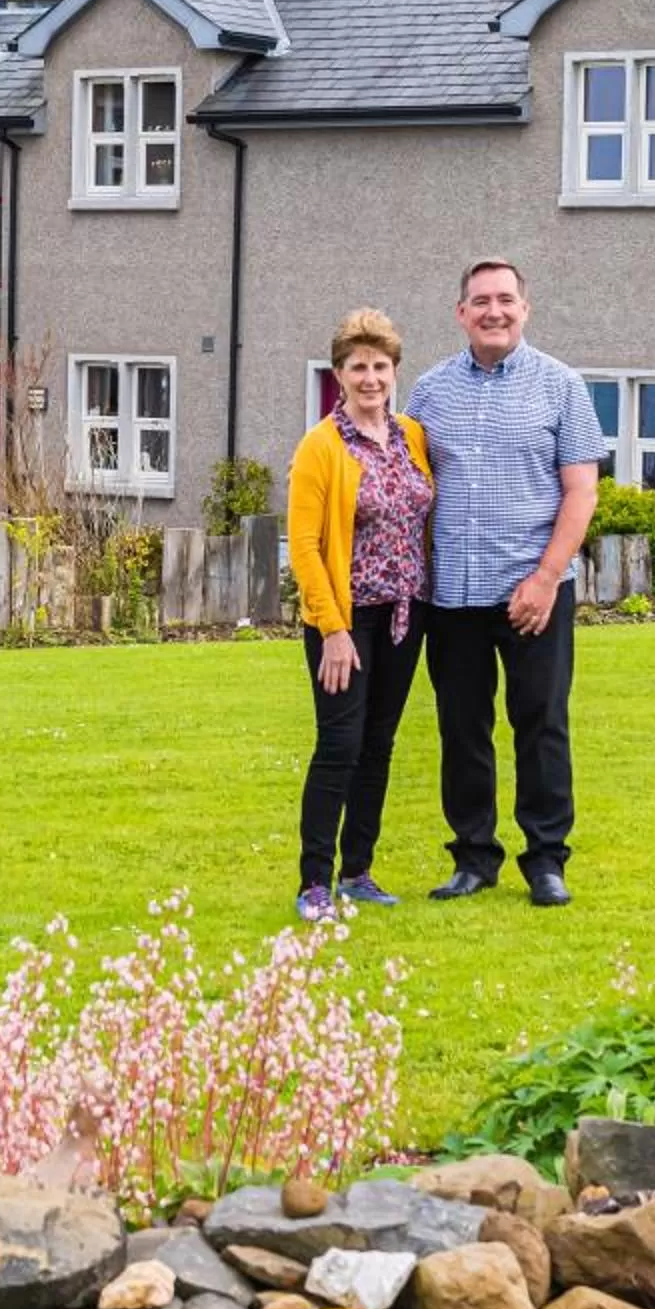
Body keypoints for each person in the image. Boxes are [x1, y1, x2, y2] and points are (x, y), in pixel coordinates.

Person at [404, 258, 603, 908]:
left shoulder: (562, 386)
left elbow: (582, 491)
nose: (494, 310)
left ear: (526, 308)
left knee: (541, 723)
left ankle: (546, 861)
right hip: (453, 594)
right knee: (462, 728)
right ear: (461, 312)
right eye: (481, 300)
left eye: (506, 299)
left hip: (535, 592)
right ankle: (474, 858)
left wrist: (546, 579)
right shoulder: (429, 393)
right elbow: (407, 487)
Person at [284, 308, 435, 924]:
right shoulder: (322, 446)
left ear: (394, 371)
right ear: (339, 375)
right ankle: (314, 881)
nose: (370, 378)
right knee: (339, 745)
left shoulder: (411, 437)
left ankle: (358, 872)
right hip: (346, 622)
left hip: (405, 616)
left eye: (380, 366)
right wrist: (333, 631)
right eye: (357, 367)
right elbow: (304, 547)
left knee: (379, 744)